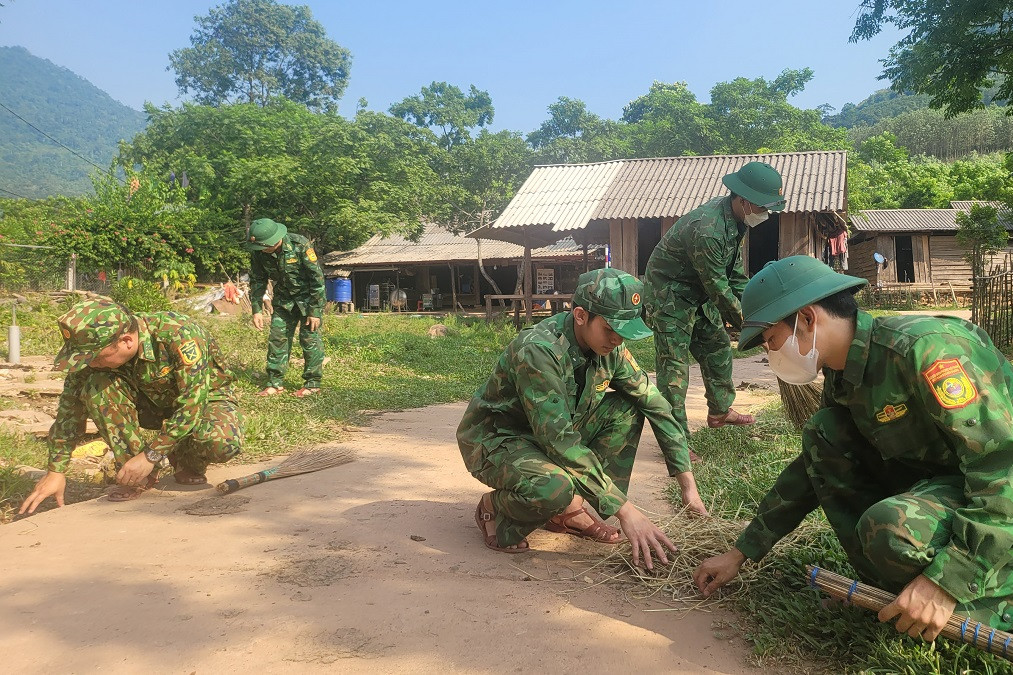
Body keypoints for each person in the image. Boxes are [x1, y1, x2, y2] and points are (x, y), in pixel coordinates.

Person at [694, 255, 1013, 641]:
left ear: (808, 319)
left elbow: (1001, 466)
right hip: (945, 482)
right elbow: (811, 468)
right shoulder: (844, 376)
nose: (770, 351)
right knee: (823, 432)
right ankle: (893, 591)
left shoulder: (926, 350)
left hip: (997, 493)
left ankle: (992, 605)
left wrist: (946, 580)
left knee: (893, 529)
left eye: (771, 339)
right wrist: (742, 551)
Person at [458, 268, 708, 568]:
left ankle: (569, 507)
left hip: (545, 436)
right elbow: (560, 442)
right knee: (553, 489)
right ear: (580, 316)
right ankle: (495, 510)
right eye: (611, 329)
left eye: (625, 331)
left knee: (627, 408)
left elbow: (655, 403)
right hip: (497, 439)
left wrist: (687, 484)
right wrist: (626, 511)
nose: (617, 340)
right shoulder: (539, 351)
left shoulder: (610, 349)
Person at [19, 299, 243, 513]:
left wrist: (152, 454)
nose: (90, 363)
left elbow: (192, 402)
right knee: (97, 386)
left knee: (220, 442)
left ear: (126, 341)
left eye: (95, 357)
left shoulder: (179, 334)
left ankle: (187, 459)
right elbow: (69, 408)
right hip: (149, 404)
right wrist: (56, 470)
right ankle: (135, 473)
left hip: (205, 400)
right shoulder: (94, 357)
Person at [643, 161, 786, 460]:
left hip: (698, 288)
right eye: (763, 206)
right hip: (669, 292)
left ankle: (720, 412)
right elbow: (718, 288)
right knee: (674, 367)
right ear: (744, 200)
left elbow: (733, 275)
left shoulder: (736, 222)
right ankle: (674, 442)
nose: (766, 214)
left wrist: (759, 308)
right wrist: (752, 325)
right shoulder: (708, 229)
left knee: (718, 346)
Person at [247, 217, 326, 397]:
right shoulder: (259, 252)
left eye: (264, 246)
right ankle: (275, 383)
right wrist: (257, 309)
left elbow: (317, 279)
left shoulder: (300, 245)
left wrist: (315, 311)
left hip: (308, 301)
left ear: (274, 240)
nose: (262, 250)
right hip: (283, 301)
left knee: (309, 340)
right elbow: (258, 280)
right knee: (277, 338)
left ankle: (312, 383)